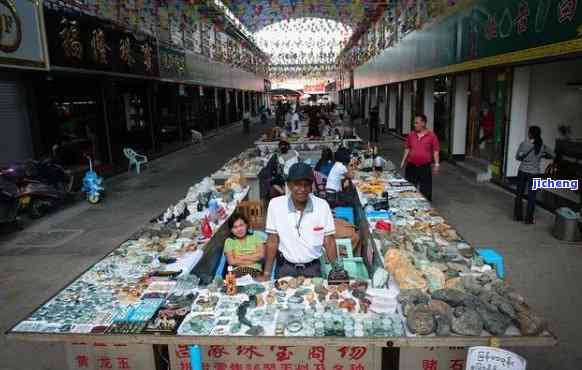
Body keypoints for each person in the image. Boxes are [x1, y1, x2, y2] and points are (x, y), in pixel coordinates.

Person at [261, 163, 337, 280]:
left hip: (313, 269)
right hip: (285, 268)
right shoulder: (275, 205)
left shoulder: (322, 206)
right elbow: (272, 240)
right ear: (289, 185)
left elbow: (329, 241)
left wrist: (336, 270)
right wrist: (266, 273)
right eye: (297, 184)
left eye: (306, 185)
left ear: (311, 186)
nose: (302, 189)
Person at [514, 126, 554, 224]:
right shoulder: (542, 146)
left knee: (519, 194)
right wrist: (542, 155)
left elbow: (517, 157)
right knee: (531, 197)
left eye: (529, 132)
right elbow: (552, 155)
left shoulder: (524, 144)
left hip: (522, 171)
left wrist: (524, 158)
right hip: (535, 174)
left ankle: (518, 217)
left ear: (530, 134)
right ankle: (529, 219)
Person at [401, 114, 440, 201]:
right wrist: (403, 161)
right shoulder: (411, 135)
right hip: (411, 166)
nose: (414, 125)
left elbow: (435, 151)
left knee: (426, 191)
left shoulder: (432, 136)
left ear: (423, 123)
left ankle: (426, 210)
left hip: (424, 167)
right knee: (409, 190)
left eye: (416, 123)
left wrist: (437, 165)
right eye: (414, 123)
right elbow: (407, 148)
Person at [224, 213, 265, 278]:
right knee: (232, 284)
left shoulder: (256, 236)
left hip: (255, 270)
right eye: (235, 227)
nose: (239, 229)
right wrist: (253, 258)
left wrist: (242, 257)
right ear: (231, 230)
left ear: (246, 225)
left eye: (241, 225)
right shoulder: (229, 241)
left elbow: (261, 255)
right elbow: (231, 261)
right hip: (237, 271)